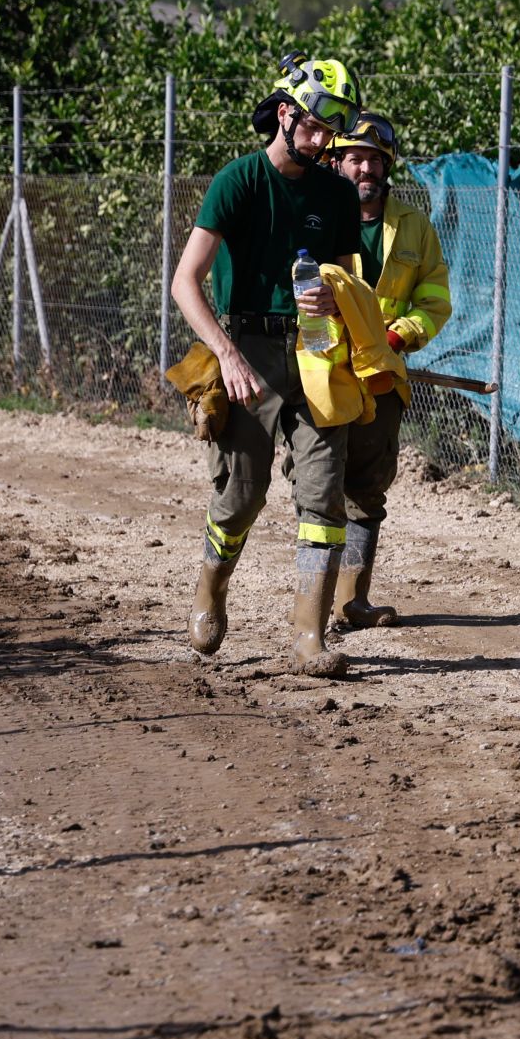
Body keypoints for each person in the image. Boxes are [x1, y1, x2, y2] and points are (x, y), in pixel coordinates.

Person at [169, 52, 364, 678]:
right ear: (286, 113)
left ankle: (308, 635)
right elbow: (185, 282)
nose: (326, 136)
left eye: (336, 125)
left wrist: (336, 294)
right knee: (241, 495)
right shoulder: (239, 181)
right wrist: (225, 354)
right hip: (246, 348)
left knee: (324, 493)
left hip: (316, 348)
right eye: (317, 122)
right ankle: (211, 589)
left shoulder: (336, 193)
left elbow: (355, 279)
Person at [326, 110, 451, 629]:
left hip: (382, 380)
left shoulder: (413, 226)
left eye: (374, 160)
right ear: (336, 163)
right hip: (324, 377)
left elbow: (435, 297)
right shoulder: (313, 217)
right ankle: (314, 603)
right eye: (354, 158)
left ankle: (352, 600)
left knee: (367, 488)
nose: (365, 169)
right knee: (319, 485)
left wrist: (399, 335)